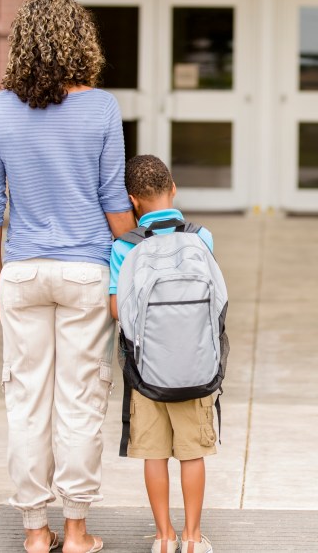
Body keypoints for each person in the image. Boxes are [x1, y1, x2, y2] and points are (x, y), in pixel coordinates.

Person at [0, 0, 136, 553]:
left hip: (22, 273)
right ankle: (75, 531)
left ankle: (34, 531)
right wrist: (146, 234)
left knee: (26, 402)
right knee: (80, 400)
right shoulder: (102, 108)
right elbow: (115, 204)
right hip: (85, 273)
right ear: (80, 41)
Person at [109, 155, 217, 553]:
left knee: (154, 454)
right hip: (195, 366)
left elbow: (118, 310)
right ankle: (192, 537)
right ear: (173, 188)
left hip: (147, 371)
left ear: (133, 200)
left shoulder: (124, 246)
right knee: (192, 453)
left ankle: (163, 536)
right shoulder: (200, 237)